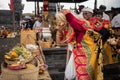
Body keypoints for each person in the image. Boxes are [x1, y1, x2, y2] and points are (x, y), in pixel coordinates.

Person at [56, 9, 103, 80]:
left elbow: (73, 22)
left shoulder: (76, 24)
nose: (59, 23)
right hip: (79, 53)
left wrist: (68, 15)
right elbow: (62, 41)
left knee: (83, 75)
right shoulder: (72, 26)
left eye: (60, 21)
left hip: (84, 53)